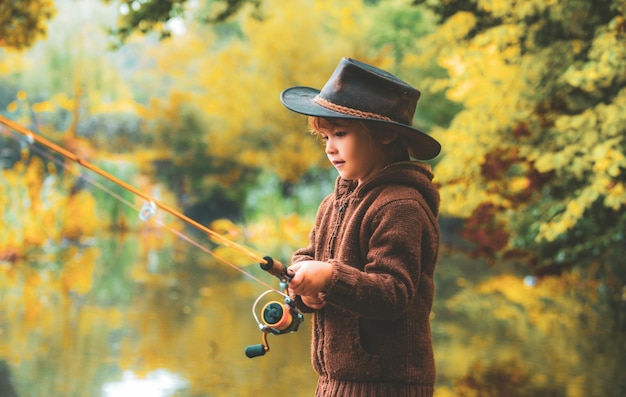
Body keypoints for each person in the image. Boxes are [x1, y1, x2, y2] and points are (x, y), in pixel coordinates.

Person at [280, 57, 442, 397]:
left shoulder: (401, 205)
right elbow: (312, 259)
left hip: (386, 387)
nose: (330, 148)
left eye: (340, 134)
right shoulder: (331, 205)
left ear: (384, 134)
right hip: (333, 384)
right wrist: (303, 287)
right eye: (324, 136)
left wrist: (329, 277)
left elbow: (393, 292)